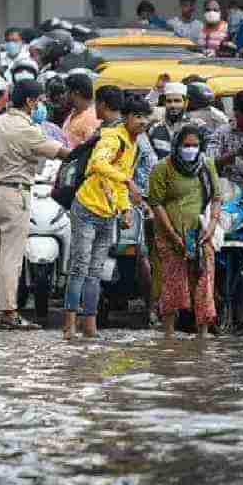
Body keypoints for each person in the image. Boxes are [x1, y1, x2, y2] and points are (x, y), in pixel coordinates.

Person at [0, 80, 73, 329]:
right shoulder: (27, 129)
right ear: (29, 101)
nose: (39, 105)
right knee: (12, 255)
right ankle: (8, 311)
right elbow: (59, 152)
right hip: (14, 193)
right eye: (38, 101)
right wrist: (82, 150)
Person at [62, 97, 150, 340]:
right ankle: (68, 326)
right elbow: (99, 163)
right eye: (137, 116)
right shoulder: (113, 137)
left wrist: (126, 210)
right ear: (126, 117)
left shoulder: (134, 145)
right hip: (87, 207)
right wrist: (128, 181)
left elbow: (120, 185)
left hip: (108, 212)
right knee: (80, 266)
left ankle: (89, 326)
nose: (142, 122)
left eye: (145, 117)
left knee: (96, 270)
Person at [148, 125, 222, 339]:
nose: (190, 149)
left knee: (203, 283)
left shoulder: (207, 165)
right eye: (186, 145)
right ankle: (168, 336)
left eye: (195, 145)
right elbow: (156, 203)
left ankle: (203, 335)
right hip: (169, 236)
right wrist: (173, 235)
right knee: (172, 284)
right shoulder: (163, 167)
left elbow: (216, 198)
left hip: (200, 234)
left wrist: (211, 227)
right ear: (177, 146)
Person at [209, 89, 243, 204]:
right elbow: (210, 163)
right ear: (235, 113)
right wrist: (235, 153)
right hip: (231, 197)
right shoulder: (222, 133)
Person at [147, 81, 192, 160]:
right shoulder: (154, 129)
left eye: (177, 101)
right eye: (169, 101)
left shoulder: (196, 127)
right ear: (164, 103)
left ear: (186, 103)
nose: (173, 105)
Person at [61, 72, 99, 149]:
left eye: (66, 91)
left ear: (75, 93)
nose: (63, 95)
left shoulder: (91, 118)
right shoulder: (74, 112)